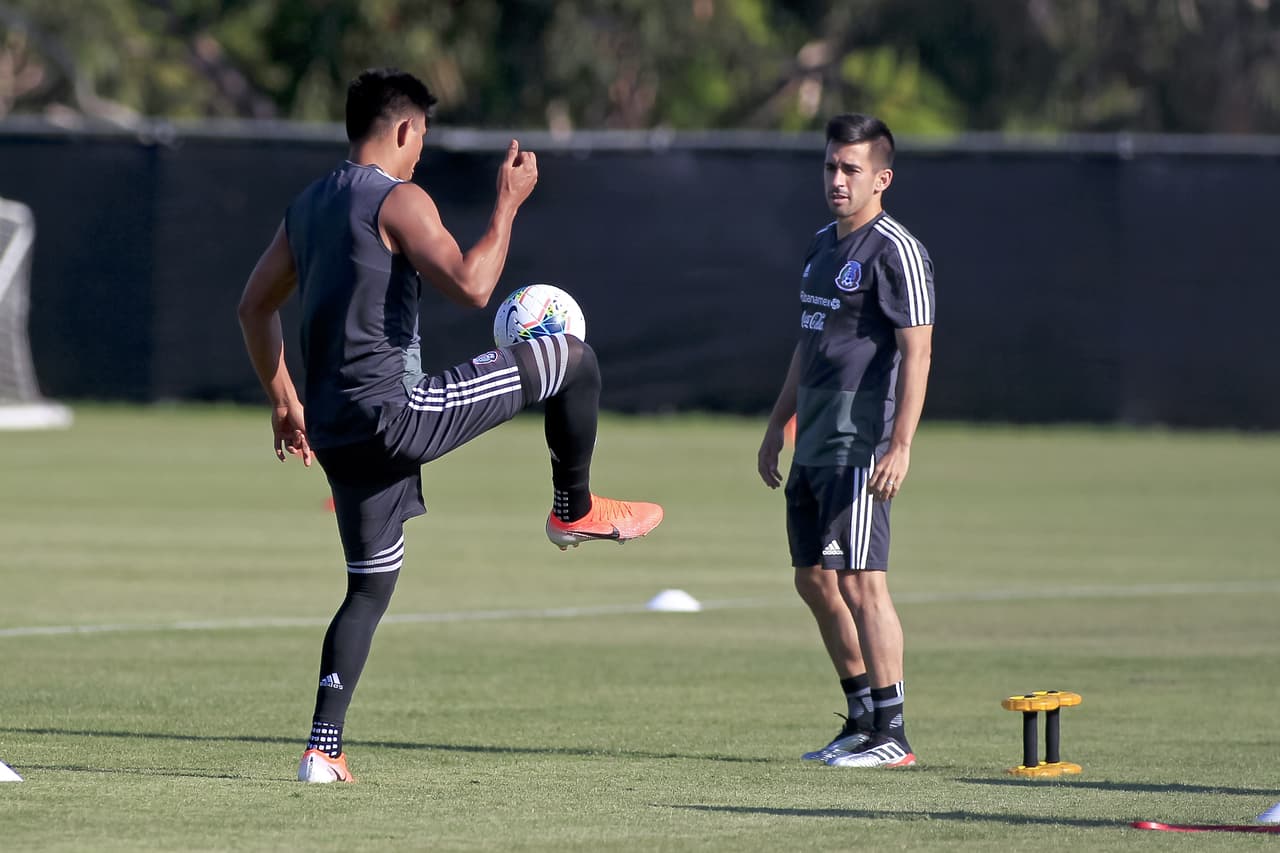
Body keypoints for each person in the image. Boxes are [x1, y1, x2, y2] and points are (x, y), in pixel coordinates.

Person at [237, 68, 663, 783]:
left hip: (339, 430)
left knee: (370, 584)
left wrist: (285, 401)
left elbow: (253, 307)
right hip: (399, 413)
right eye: (422, 137)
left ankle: (322, 748)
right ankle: (574, 508)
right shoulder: (397, 199)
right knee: (574, 359)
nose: (421, 152)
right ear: (404, 130)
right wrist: (507, 204)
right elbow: (472, 284)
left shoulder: (306, 206)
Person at [757, 113, 934, 769]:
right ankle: (861, 716)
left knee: (863, 580)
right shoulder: (819, 247)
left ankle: (894, 732)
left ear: (881, 178)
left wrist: (902, 445)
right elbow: (809, 346)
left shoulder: (896, 251)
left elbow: (918, 354)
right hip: (814, 442)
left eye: (850, 168)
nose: (836, 178)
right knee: (812, 578)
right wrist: (778, 423)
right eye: (831, 165)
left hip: (863, 439)